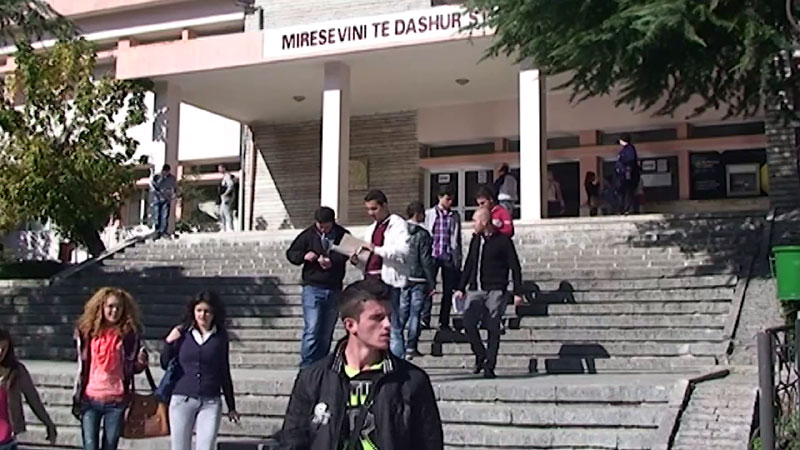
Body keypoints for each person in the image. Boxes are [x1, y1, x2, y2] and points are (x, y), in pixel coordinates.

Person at [279, 278, 443, 450]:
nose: (388, 325)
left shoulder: (412, 381)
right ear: (350, 325)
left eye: (389, 317)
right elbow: (292, 441)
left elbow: (429, 444)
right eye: (377, 318)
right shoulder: (313, 379)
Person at [73, 287, 149, 450]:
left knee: (110, 445)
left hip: (116, 400)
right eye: (110, 306)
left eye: (118, 307)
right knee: (90, 445)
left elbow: (132, 367)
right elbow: (82, 364)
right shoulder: (87, 332)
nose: (114, 311)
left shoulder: (128, 334)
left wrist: (141, 363)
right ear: (101, 307)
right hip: (90, 398)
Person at [162, 291, 239, 450]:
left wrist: (231, 406)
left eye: (207, 311)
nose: (202, 315)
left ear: (214, 314)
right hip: (182, 398)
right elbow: (165, 363)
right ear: (193, 311)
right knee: (179, 446)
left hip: (210, 401)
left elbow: (224, 370)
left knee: (206, 446)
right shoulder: (183, 333)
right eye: (199, 310)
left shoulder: (220, 337)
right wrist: (169, 342)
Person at [454, 208, 523, 379]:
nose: (473, 225)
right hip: (475, 289)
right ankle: (480, 354)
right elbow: (469, 264)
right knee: (468, 323)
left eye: (475, 221)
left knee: (493, 326)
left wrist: (517, 292)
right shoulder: (476, 240)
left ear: (485, 222)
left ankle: (490, 365)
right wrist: (461, 287)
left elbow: (515, 266)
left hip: (495, 289)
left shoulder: (503, 241)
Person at [286, 207, 350, 367]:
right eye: (320, 226)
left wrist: (332, 260)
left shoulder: (342, 234)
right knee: (312, 329)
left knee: (327, 331)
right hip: (313, 287)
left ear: (332, 223)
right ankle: (307, 365)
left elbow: (348, 252)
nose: (322, 230)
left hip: (334, 287)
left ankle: (321, 364)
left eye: (326, 226)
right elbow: (292, 253)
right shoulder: (308, 234)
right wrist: (304, 256)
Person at [356, 190, 409, 359]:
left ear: (384, 205)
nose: (371, 213)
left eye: (374, 208)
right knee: (372, 324)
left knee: (393, 326)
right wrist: (357, 260)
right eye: (368, 209)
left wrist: (376, 249)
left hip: (388, 281)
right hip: (370, 280)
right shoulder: (371, 228)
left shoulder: (397, 224)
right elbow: (369, 256)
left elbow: (403, 251)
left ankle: (397, 364)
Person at [0, 328, 57, 449]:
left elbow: (33, 399)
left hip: (6, 437)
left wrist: (48, 423)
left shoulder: (17, 370)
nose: (0, 352)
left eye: (4, 348)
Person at [400, 202, 436, 360]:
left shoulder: (400, 231)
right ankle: (411, 346)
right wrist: (431, 280)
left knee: (402, 312)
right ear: (418, 214)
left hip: (403, 276)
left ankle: (396, 343)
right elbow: (425, 259)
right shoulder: (423, 234)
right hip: (419, 277)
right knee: (415, 314)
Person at [422, 188, 462, 331]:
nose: (450, 202)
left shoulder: (454, 216)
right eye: (447, 199)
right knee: (429, 287)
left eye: (451, 199)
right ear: (439, 197)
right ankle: (425, 318)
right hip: (433, 255)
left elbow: (457, 237)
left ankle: (443, 320)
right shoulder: (430, 214)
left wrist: (458, 259)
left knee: (448, 290)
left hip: (448, 255)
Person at [150, 164, 179, 239]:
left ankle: (163, 231)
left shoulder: (172, 178)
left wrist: (174, 195)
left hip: (166, 199)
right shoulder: (157, 176)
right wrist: (161, 178)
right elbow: (153, 186)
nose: (165, 173)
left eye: (167, 172)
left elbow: (175, 187)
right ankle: (157, 232)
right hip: (157, 199)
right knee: (157, 216)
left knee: (164, 216)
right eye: (164, 171)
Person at [615, 133, 640, 215]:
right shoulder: (625, 150)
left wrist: (627, 172)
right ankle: (622, 208)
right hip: (623, 175)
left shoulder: (629, 149)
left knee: (627, 192)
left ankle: (626, 209)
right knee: (622, 192)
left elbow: (630, 162)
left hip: (628, 175)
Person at [217, 164, 236, 232]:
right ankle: (224, 228)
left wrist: (225, 194)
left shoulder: (227, 176)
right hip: (223, 198)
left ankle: (230, 228)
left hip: (227, 197)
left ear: (224, 168)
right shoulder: (224, 177)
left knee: (227, 212)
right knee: (222, 213)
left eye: (220, 168)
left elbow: (230, 186)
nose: (219, 170)